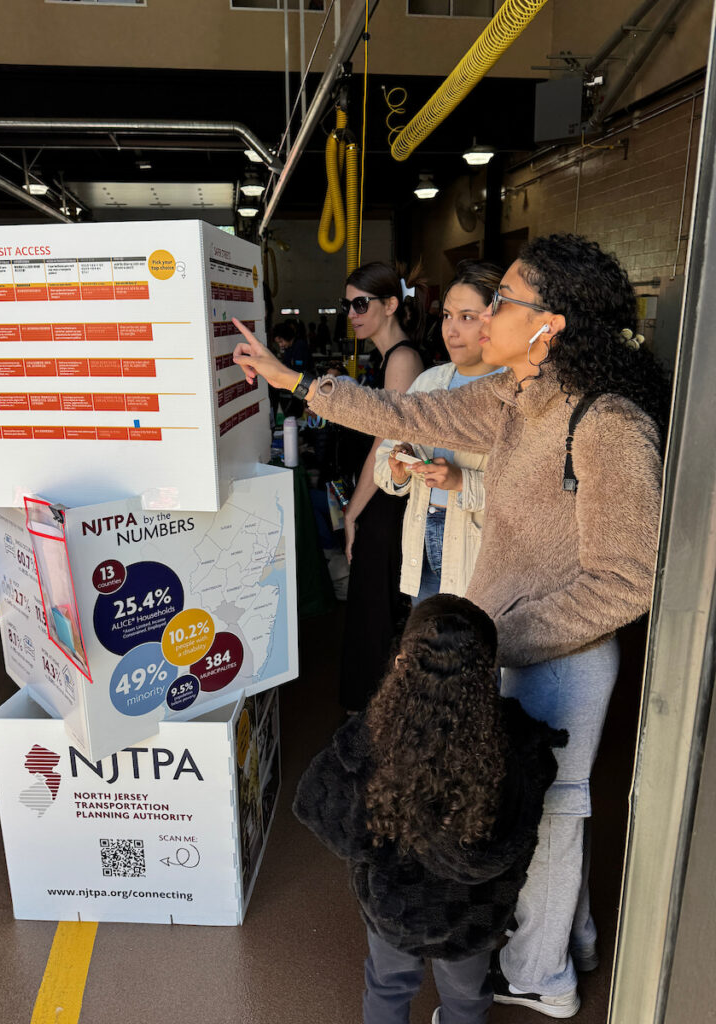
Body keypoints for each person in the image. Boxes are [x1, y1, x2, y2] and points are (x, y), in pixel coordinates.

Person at [232, 233, 670, 1016]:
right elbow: (409, 409)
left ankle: (544, 975)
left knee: (552, 814)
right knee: (511, 809)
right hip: (496, 641)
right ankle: (554, 945)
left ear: (551, 325)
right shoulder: (516, 396)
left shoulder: (609, 425)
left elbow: (627, 579)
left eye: (503, 302)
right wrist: (298, 380)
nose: (484, 313)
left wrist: (495, 640)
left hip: (559, 654)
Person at [293, 594, 567, 1024]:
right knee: (466, 998)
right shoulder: (515, 746)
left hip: (394, 910)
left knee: (387, 986)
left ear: (402, 660)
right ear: (488, 670)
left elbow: (318, 809)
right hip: (471, 918)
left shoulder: (366, 742)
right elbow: (520, 828)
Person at [324, 261, 425, 711]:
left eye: (360, 303)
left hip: (389, 501)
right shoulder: (389, 358)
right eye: (348, 305)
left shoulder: (402, 358)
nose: (352, 313)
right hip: (383, 498)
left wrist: (352, 512)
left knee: (376, 608)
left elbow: (387, 447)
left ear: (390, 305)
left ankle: (376, 716)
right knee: (372, 606)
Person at [375, 261, 502, 604]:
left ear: (496, 318)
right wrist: (398, 469)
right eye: (446, 315)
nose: (451, 329)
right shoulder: (429, 382)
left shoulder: (515, 391)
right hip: (424, 546)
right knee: (428, 648)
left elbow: (531, 495)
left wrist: (463, 482)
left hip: (479, 555)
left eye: (467, 317)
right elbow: (383, 458)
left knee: (476, 649)